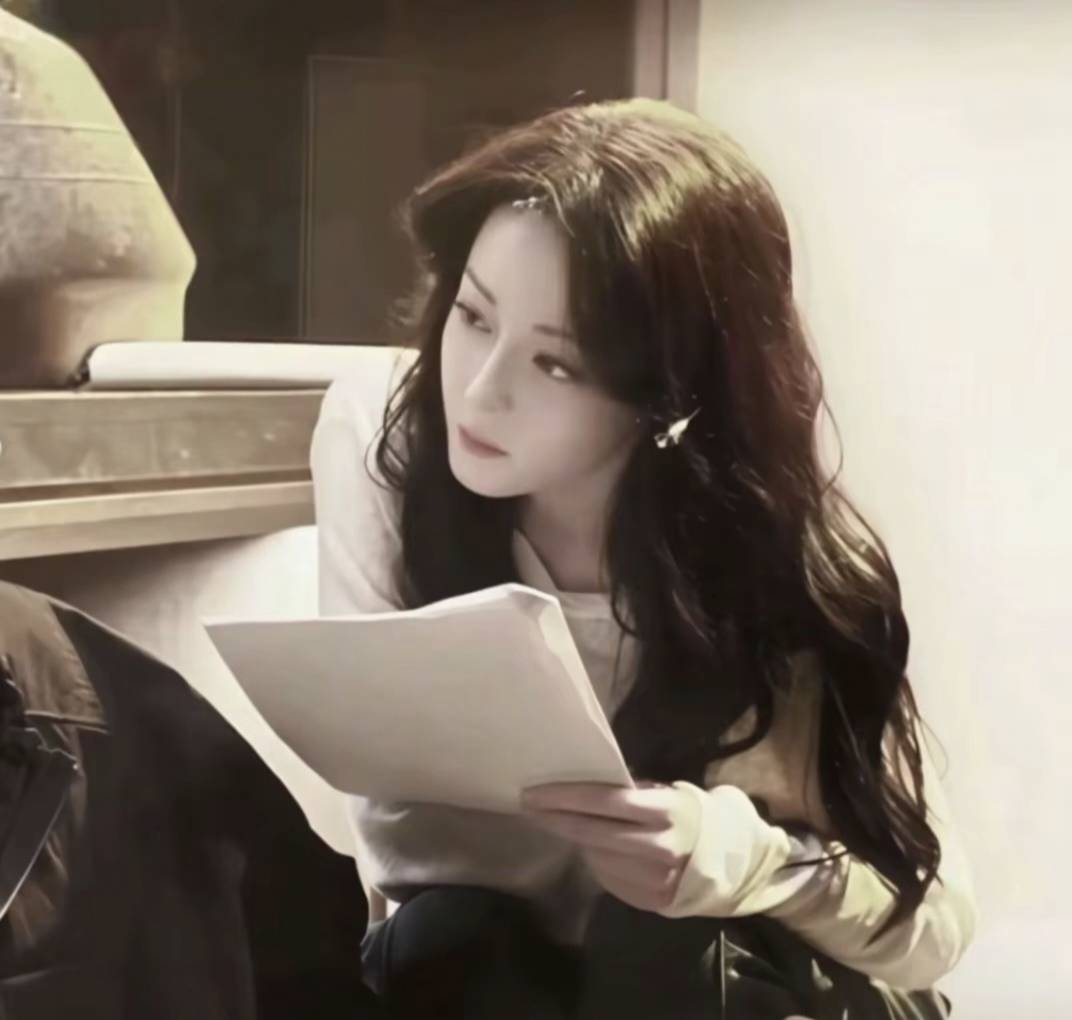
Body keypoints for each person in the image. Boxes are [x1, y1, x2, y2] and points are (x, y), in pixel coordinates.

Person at [310, 97, 977, 1018]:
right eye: (472, 315)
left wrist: (727, 856)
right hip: (513, 970)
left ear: (669, 399)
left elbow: (932, 925)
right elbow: (400, 836)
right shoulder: (386, 440)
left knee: (658, 943)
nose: (481, 391)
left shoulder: (782, 572)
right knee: (448, 937)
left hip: (747, 980)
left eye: (555, 364)